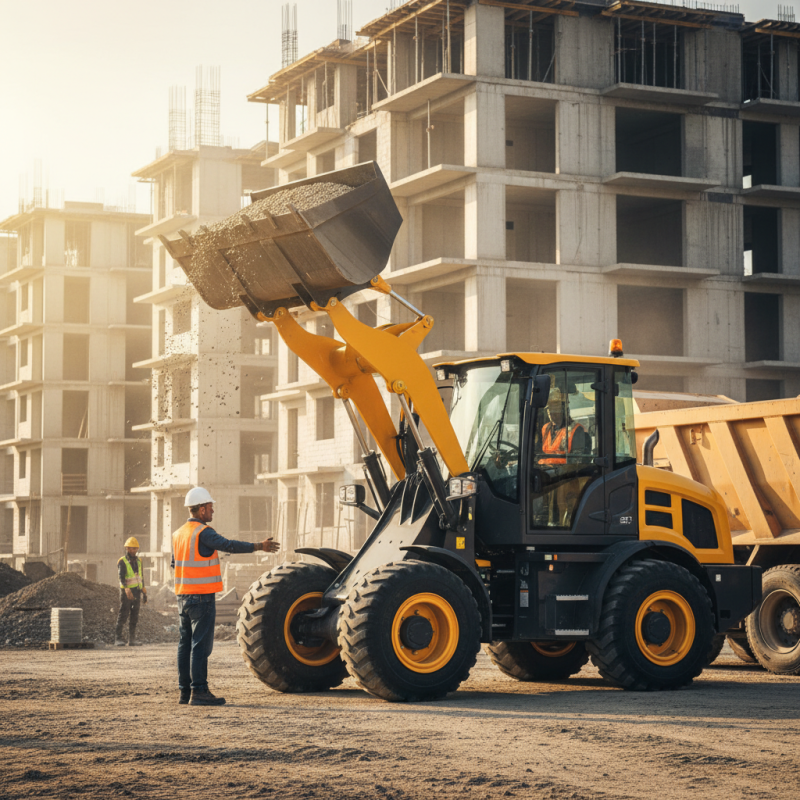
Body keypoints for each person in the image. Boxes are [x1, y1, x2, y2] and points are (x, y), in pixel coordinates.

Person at [172, 486, 280, 707]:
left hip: (182, 597)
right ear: (201, 510)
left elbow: (175, 564)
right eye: (210, 508)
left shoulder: (178, 534)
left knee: (185, 645)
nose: (213, 512)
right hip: (201, 597)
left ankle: (185, 692)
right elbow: (228, 545)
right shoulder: (204, 532)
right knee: (200, 646)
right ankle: (199, 691)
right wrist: (259, 546)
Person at [115, 537, 147, 647]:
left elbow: (141, 576)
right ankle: (118, 638)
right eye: (131, 549)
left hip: (137, 591)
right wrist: (126, 588)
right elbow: (121, 576)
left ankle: (132, 639)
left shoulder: (139, 561)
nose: (133, 551)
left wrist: (144, 591)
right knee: (123, 614)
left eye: (135, 549)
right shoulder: (122, 561)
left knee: (134, 615)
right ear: (127, 548)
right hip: (127, 592)